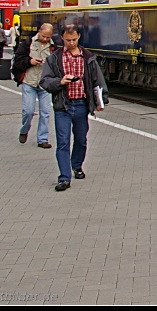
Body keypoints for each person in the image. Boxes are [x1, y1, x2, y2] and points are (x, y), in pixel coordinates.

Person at [39, 24, 108, 192]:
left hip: (81, 105)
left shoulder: (88, 58)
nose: (71, 43)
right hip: (63, 105)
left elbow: (97, 81)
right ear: (62, 38)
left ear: (79, 37)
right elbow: (44, 81)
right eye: (68, 40)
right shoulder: (54, 58)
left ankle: (76, 166)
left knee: (81, 139)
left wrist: (101, 100)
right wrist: (60, 82)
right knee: (63, 142)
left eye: (74, 40)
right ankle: (64, 177)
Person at [12, 23, 54, 148]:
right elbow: (17, 60)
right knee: (28, 111)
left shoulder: (53, 47)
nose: (45, 39)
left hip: (44, 84)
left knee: (45, 112)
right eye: (43, 36)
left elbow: (58, 65)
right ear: (39, 31)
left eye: (48, 37)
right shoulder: (27, 44)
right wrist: (30, 61)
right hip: (29, 82)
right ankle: (24, 130)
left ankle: (42, 139)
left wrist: (49, 63)